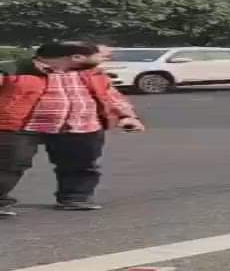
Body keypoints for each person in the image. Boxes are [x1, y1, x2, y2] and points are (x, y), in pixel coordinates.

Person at [0, 41, 145, 218]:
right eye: (97, 55)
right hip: (19, 125)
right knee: (8, 164)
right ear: (76, 57)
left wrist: (127, 116)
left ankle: (75, 198)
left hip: (81, 124)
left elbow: (109, 94)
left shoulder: (93, 73)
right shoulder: (14, 69)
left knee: (80, 164)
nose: (102, 59)